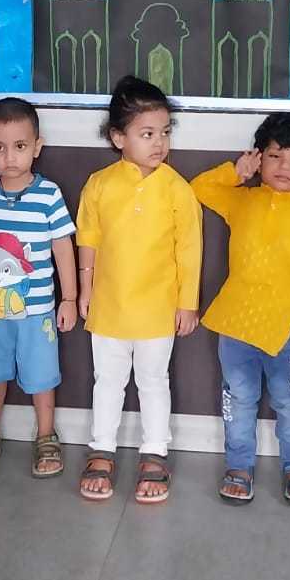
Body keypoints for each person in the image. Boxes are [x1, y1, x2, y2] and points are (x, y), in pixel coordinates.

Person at [194, 113, 290, 506]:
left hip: (287, 326)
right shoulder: (241, 200)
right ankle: (239, 466)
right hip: (237, 323)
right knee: (239, 399)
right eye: (275, 155)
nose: (284, 166)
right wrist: (236, 172)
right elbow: (200, 188)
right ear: (259, 159)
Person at [76, 76, 202, 505]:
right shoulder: (99, 184)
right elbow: (88, 239)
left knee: (153, 380)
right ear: (118, 138)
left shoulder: (177, 189)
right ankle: (102, 450)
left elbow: (189, 250)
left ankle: (154, 452)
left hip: (158, 309)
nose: (159, 143)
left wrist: (187, 303)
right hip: (109, 305)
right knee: (107, 380)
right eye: (147, 134)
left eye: (165, 132)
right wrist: (85, 290)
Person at [0, 97, 78, 479]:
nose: (10, 157)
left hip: (35, 311)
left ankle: (46, 435)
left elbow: (62, 247)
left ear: (37, 146)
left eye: (20, 146)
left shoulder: (48, 195)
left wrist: (69, 298)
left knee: (41, 377)